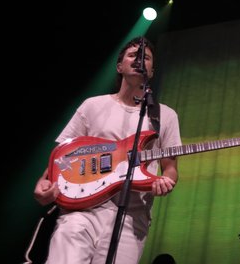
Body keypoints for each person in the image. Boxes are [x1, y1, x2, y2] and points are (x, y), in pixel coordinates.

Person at [33, 36, 181, 264]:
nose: (139, 59)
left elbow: (169, 167)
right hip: (81, 209)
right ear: (119, 66)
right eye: (133, 55)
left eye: (146, 57)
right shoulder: (93, 105)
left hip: (132, 218)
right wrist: (46, 182)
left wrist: (166, 181)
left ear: (151, 71)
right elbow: (62, 154)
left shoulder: (165, 115)